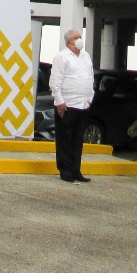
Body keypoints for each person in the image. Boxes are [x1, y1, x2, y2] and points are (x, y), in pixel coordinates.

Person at [49, 28, 94, 184]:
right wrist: (59, 101)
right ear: (69, 42)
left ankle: (76, 169)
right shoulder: (62, 57)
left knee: (77, 139)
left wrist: (90, 97)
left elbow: (90, 77)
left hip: (83, 104)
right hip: (67, 105)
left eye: (80, 36)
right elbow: (55, 81)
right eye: (76, 37)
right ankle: (65, 170)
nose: (79, 39)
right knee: (65, 139)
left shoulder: (86, 56)